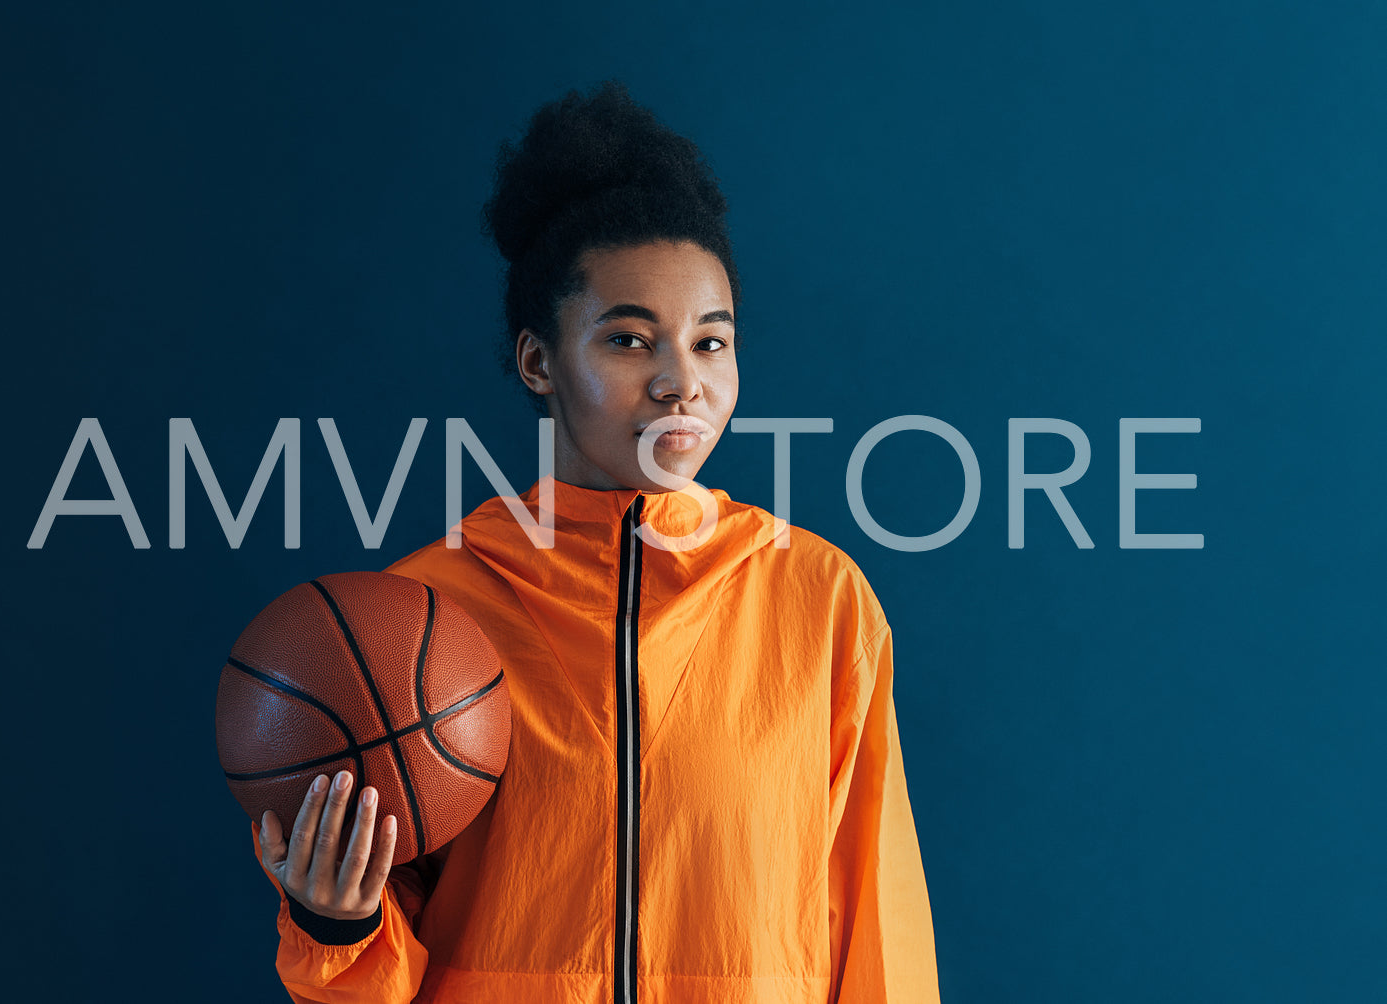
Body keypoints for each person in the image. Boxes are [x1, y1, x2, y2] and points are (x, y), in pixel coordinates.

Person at [250, 80, 940, 1004]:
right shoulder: (417, 617)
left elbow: (877, 928)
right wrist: (338, 922)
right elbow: (375, 978)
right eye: (628, 340)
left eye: (710, 343)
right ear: (539, 359)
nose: (679, 383)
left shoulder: (817, 597)